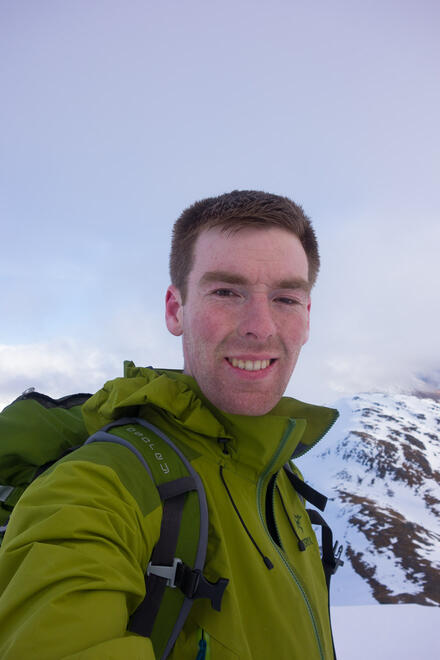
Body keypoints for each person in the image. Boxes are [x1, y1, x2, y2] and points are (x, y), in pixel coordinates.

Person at [0, 190, 338, 659]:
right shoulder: (97, 486)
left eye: (285, 297)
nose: (261, 326)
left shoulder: (281, 479)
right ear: (175, 310)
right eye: (226, 291)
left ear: (306, 317)